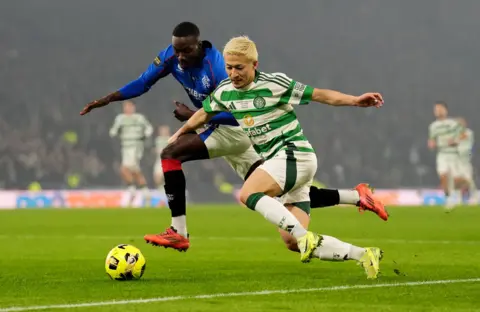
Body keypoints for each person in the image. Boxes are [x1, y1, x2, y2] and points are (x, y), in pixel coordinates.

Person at [80, 21, 388, 252]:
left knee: (170, 154)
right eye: (175, 50)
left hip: (236, 130)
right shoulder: (174, 58)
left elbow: (236, 110)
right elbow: (143, 82)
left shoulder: (220, 70)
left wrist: (191, 117)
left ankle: (179, 231)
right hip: (223, 128)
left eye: (185, 51)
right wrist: (108, 98)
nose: (179, 57)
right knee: (275, 196)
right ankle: (355, 196)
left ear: (199, 46)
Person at [168, 35, 384, 279]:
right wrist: (181, 132)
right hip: (278, 162)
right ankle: (364, 254)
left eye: (239, 68)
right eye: (229, 67)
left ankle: (309, 235)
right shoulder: (225, 91)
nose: (234, 73)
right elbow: (203, 114)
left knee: (248, 194)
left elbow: (320, 95)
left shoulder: (275, 83)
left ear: (254, 65)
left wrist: (355, 100)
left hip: (294, 153)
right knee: (291, 241)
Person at [109, 101, 153, 205]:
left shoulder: (139, 118)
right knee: (134, 170)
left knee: (124, 168)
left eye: (129, 106)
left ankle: (132, 190)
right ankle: (146, 193)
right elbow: (113, 130)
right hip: (125, 146)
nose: (127, 108)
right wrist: (114, 132)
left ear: (134, 107)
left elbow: (149, 128)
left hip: (136, 146)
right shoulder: (120, 118)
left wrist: (144, 136)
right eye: (125, 106)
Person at [428, 102, 464, 210]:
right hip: (442, 153)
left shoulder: (453, 123)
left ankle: (456, 195)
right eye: (436, 109)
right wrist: (431, 144)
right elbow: (431, 140)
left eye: (440, 109)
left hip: (454, 153)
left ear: (445, 110)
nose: (438, 111)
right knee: (443, 175)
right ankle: (448, 198)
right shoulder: (433, 126)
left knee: (457, 179)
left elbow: (463, 135)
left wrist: (455, 140)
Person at [455, 118, 477, 204]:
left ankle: (475, 196)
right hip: (457, 160)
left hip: (466, 160)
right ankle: (460, 199)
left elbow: (463, 136)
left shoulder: (469, 132)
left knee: (469, 180)